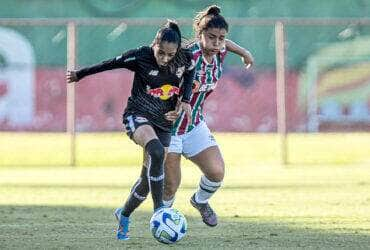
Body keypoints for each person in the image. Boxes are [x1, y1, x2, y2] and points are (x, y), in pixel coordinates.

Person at [66, 20, 195, 240]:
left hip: (164, 122)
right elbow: (109, 63)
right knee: (155, 151)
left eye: (169, 55)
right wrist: (81, 73)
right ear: (154, 44)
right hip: (138, 115)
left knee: (146, 181)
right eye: (161, 53)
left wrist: (185, 100)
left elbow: (191, 73)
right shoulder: (141, 56)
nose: (165, 59)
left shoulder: (184, 58)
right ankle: (160, 212)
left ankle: (124, 214)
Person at [163, 5, 254, 227]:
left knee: (216, 172)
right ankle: (162, 221)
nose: (217, 43)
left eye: (221, 38)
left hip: (194, 126)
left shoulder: (220, 51)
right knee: (171, 185)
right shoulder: (186, 55)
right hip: (169, 129)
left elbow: (226, 46)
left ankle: (200, 201)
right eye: (211, 37)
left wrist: (243, 52)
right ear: (199, 35)